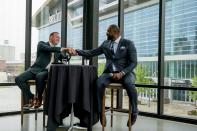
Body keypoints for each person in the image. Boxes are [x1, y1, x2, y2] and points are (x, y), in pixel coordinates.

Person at [70, 24, 138, 126]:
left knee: (129, 84)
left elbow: (134, 62)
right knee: (98, 83)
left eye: (108, 31)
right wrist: (77, 51)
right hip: (109, 73)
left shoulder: (128, 43)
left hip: (126, 73)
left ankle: (134, 112)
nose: (107, 33)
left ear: (116, 33)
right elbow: (92, 52)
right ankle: (101, 112)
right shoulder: (106, 44)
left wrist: (122, 73)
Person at [15, 32, 73, 108]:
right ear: (50, 38)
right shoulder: (42, 44)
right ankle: (32, 97)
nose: (58, 39)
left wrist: (69, 55)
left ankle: (39, 98)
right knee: (18, 79)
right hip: (35, 69)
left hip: (47, 72)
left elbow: (64, 60)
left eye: (59, 38)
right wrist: (65, 49)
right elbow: (49, 49)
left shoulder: (57, 51)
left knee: (40, 76)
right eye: (57, 37)